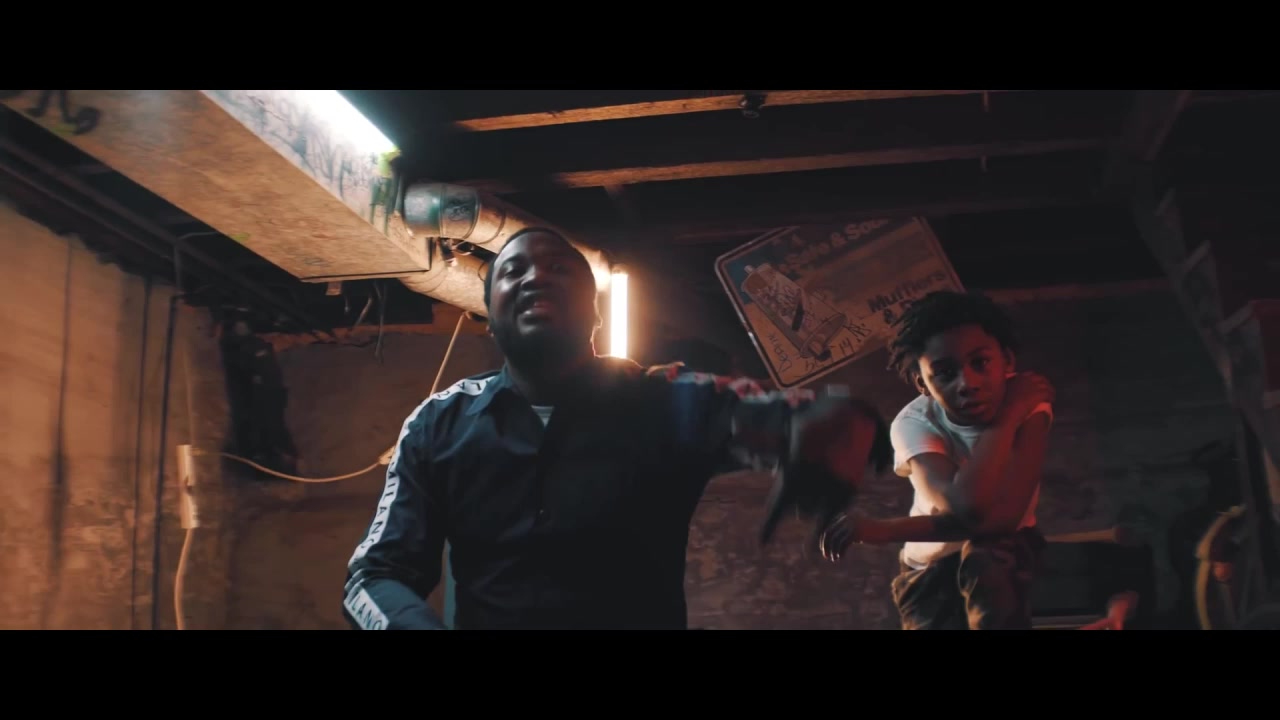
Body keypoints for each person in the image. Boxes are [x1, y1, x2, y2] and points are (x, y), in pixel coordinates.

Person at [341, 228, 889, 630]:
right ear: (489, 315)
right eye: (513, 271)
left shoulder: (666, 401)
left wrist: (836, 426)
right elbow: (374, 575)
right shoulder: (438, 424)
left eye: (560, 269)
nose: (536, 277)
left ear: (597, 314)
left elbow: (808, 417)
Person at [818, 290, 1055, 630]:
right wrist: (1006, 422)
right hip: (928, 569)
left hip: (1003, 553)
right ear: (922, 383)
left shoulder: (1028, 404)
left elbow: (1002, 522)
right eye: (944, 372)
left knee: (990, 556)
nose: (967, 383)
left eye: (981, 363)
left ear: (1007, 361)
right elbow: (966, 509)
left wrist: (882, 530)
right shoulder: (915, 423)